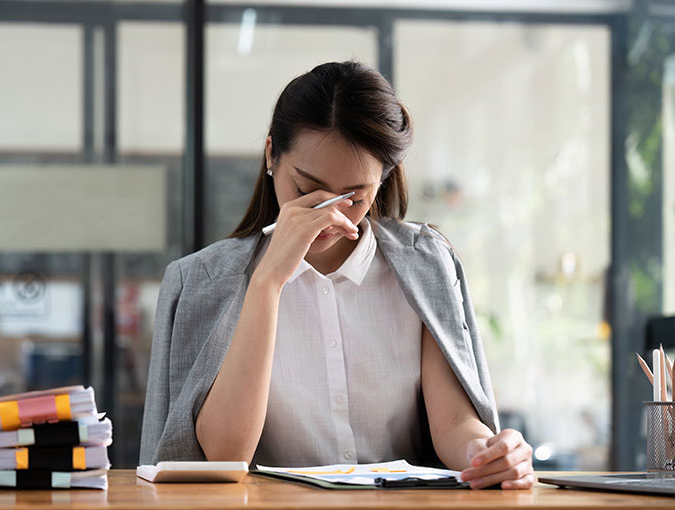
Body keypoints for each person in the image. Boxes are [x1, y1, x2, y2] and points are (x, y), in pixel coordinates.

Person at [140, 61, 534, 489]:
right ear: (272, 154)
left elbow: (456, 425)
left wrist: (489, 453)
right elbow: (223, 455)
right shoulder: (201, 282)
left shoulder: (424, 266)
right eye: (307, 190)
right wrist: (268, 281)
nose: (329, 214)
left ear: (380, 182)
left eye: (354, 197)